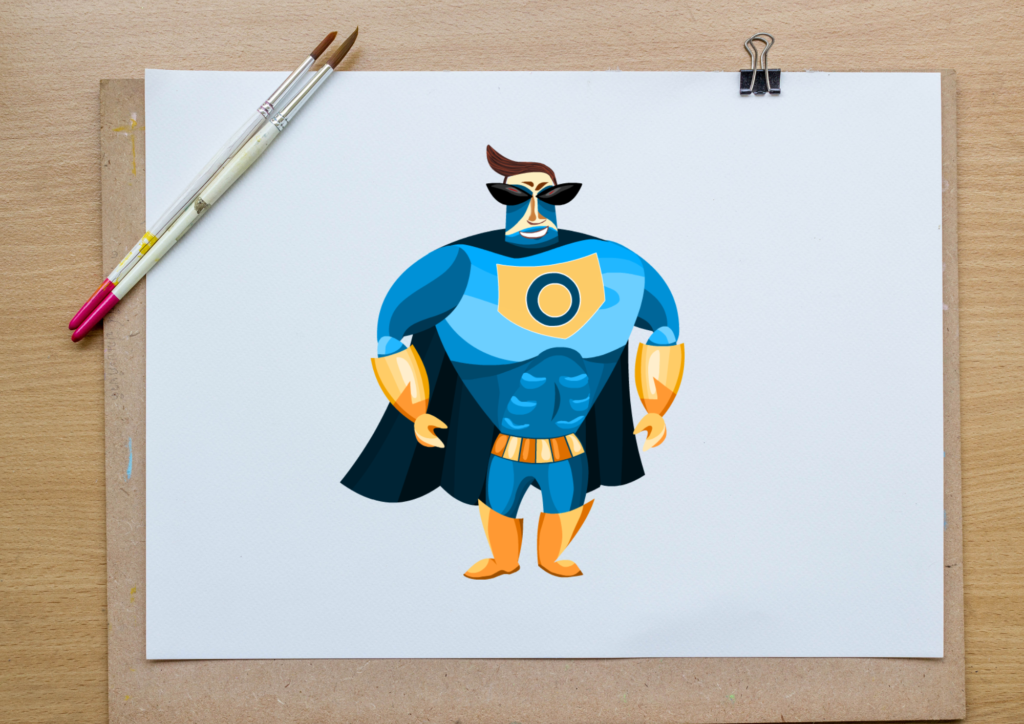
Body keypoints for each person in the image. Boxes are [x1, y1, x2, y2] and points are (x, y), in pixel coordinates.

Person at [342, 146, 684, 579]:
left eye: (553, 196)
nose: (535, 211)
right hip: (506, 444)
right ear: (501, 198)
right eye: (515, 197)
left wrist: (656, 406)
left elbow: (665, 328)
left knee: (566, 501)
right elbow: (391, 332)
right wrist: (416, 410)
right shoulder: (461, 266)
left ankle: (550, 557)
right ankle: (504, 559)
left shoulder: (616, 265)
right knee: (500, 502)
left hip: (568, 445)